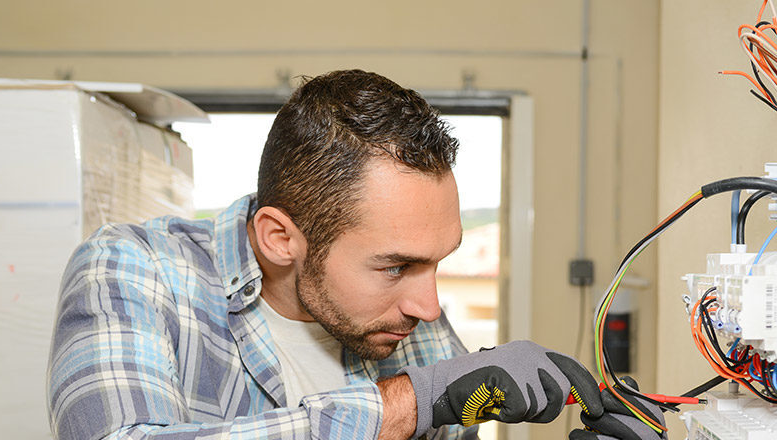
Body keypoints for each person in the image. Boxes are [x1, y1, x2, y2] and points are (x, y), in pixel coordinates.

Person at [49, 69, 664, 440]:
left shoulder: (407, 321)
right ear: (280, 238)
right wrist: (412, 401)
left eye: (437, 262)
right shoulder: (134, 271)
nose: (429, 306)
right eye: (396, 266)